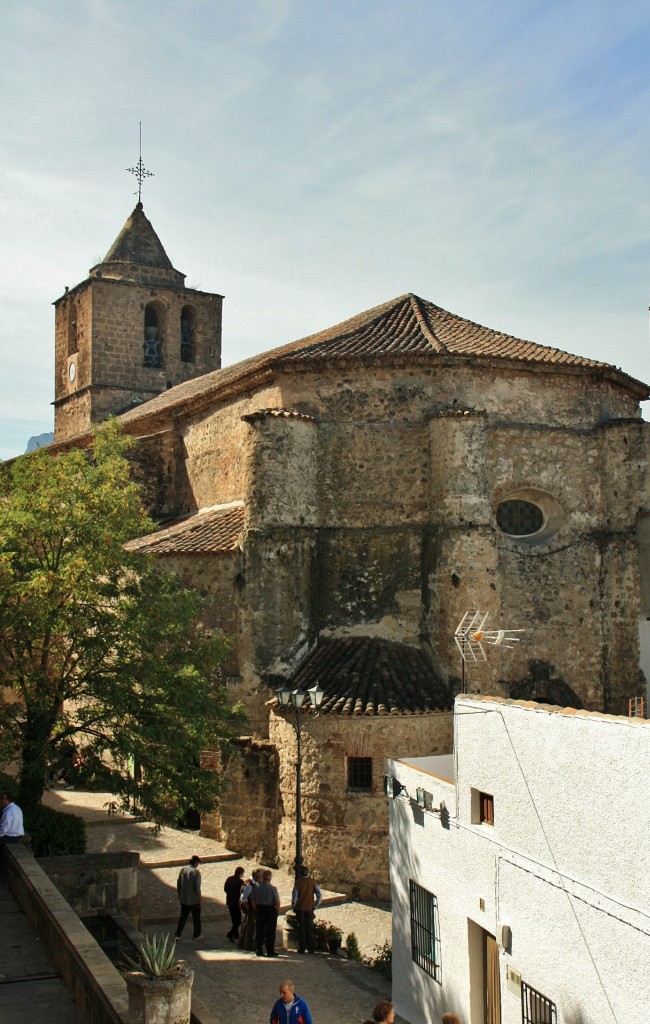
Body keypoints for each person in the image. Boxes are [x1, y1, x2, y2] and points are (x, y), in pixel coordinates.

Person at [291, 865, 321, 954]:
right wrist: (315, 905)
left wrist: (294, 906)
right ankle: (311, 948)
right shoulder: (312, 882)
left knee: (302, 928)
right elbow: (319, 895)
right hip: (309, 908)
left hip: (300, 908)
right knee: (309, 928)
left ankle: (302, 948)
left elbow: (295, 897)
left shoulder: (298, 883)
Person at [174, 855, 203, 941]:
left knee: (183, 917)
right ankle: (196, 935)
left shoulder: (183, 870)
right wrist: (200, 900)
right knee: (196, 918)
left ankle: (178, 934)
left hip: (184, 899)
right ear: (196, 863)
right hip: (194, 900)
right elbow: (197, 888)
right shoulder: (196, 872)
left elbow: (178, 883)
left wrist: (180, 895)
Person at [255, 868, 281, 957]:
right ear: (270, 878)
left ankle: (259, 949)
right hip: (269, 910)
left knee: (259, 930)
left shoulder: (256, 887)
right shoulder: (272, 889)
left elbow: (253, 899)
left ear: (262, 877)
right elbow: (277, 902)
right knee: (270, 931)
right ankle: (270, 950)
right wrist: (277, 912)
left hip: (259, 909)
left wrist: (256, 909)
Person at [238, 868, 262, 950]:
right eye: (261, 876)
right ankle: (247, 945)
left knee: (246, 927)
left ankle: (242, 943)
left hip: (249, 909)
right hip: (249, 909)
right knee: (249, 928)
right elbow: (243, 899)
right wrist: (249, 909)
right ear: (257, 876)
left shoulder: (252, 883)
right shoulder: (249, 885)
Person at [224, 865, 245, 942]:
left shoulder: (229, 879)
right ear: (240, 873)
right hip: (236, 903)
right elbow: (242, 892)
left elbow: (225, 889)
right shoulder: (240, 882)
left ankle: (236, 934)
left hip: (229, 901)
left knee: (234, 919)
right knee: (238, 920)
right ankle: (230, 934)